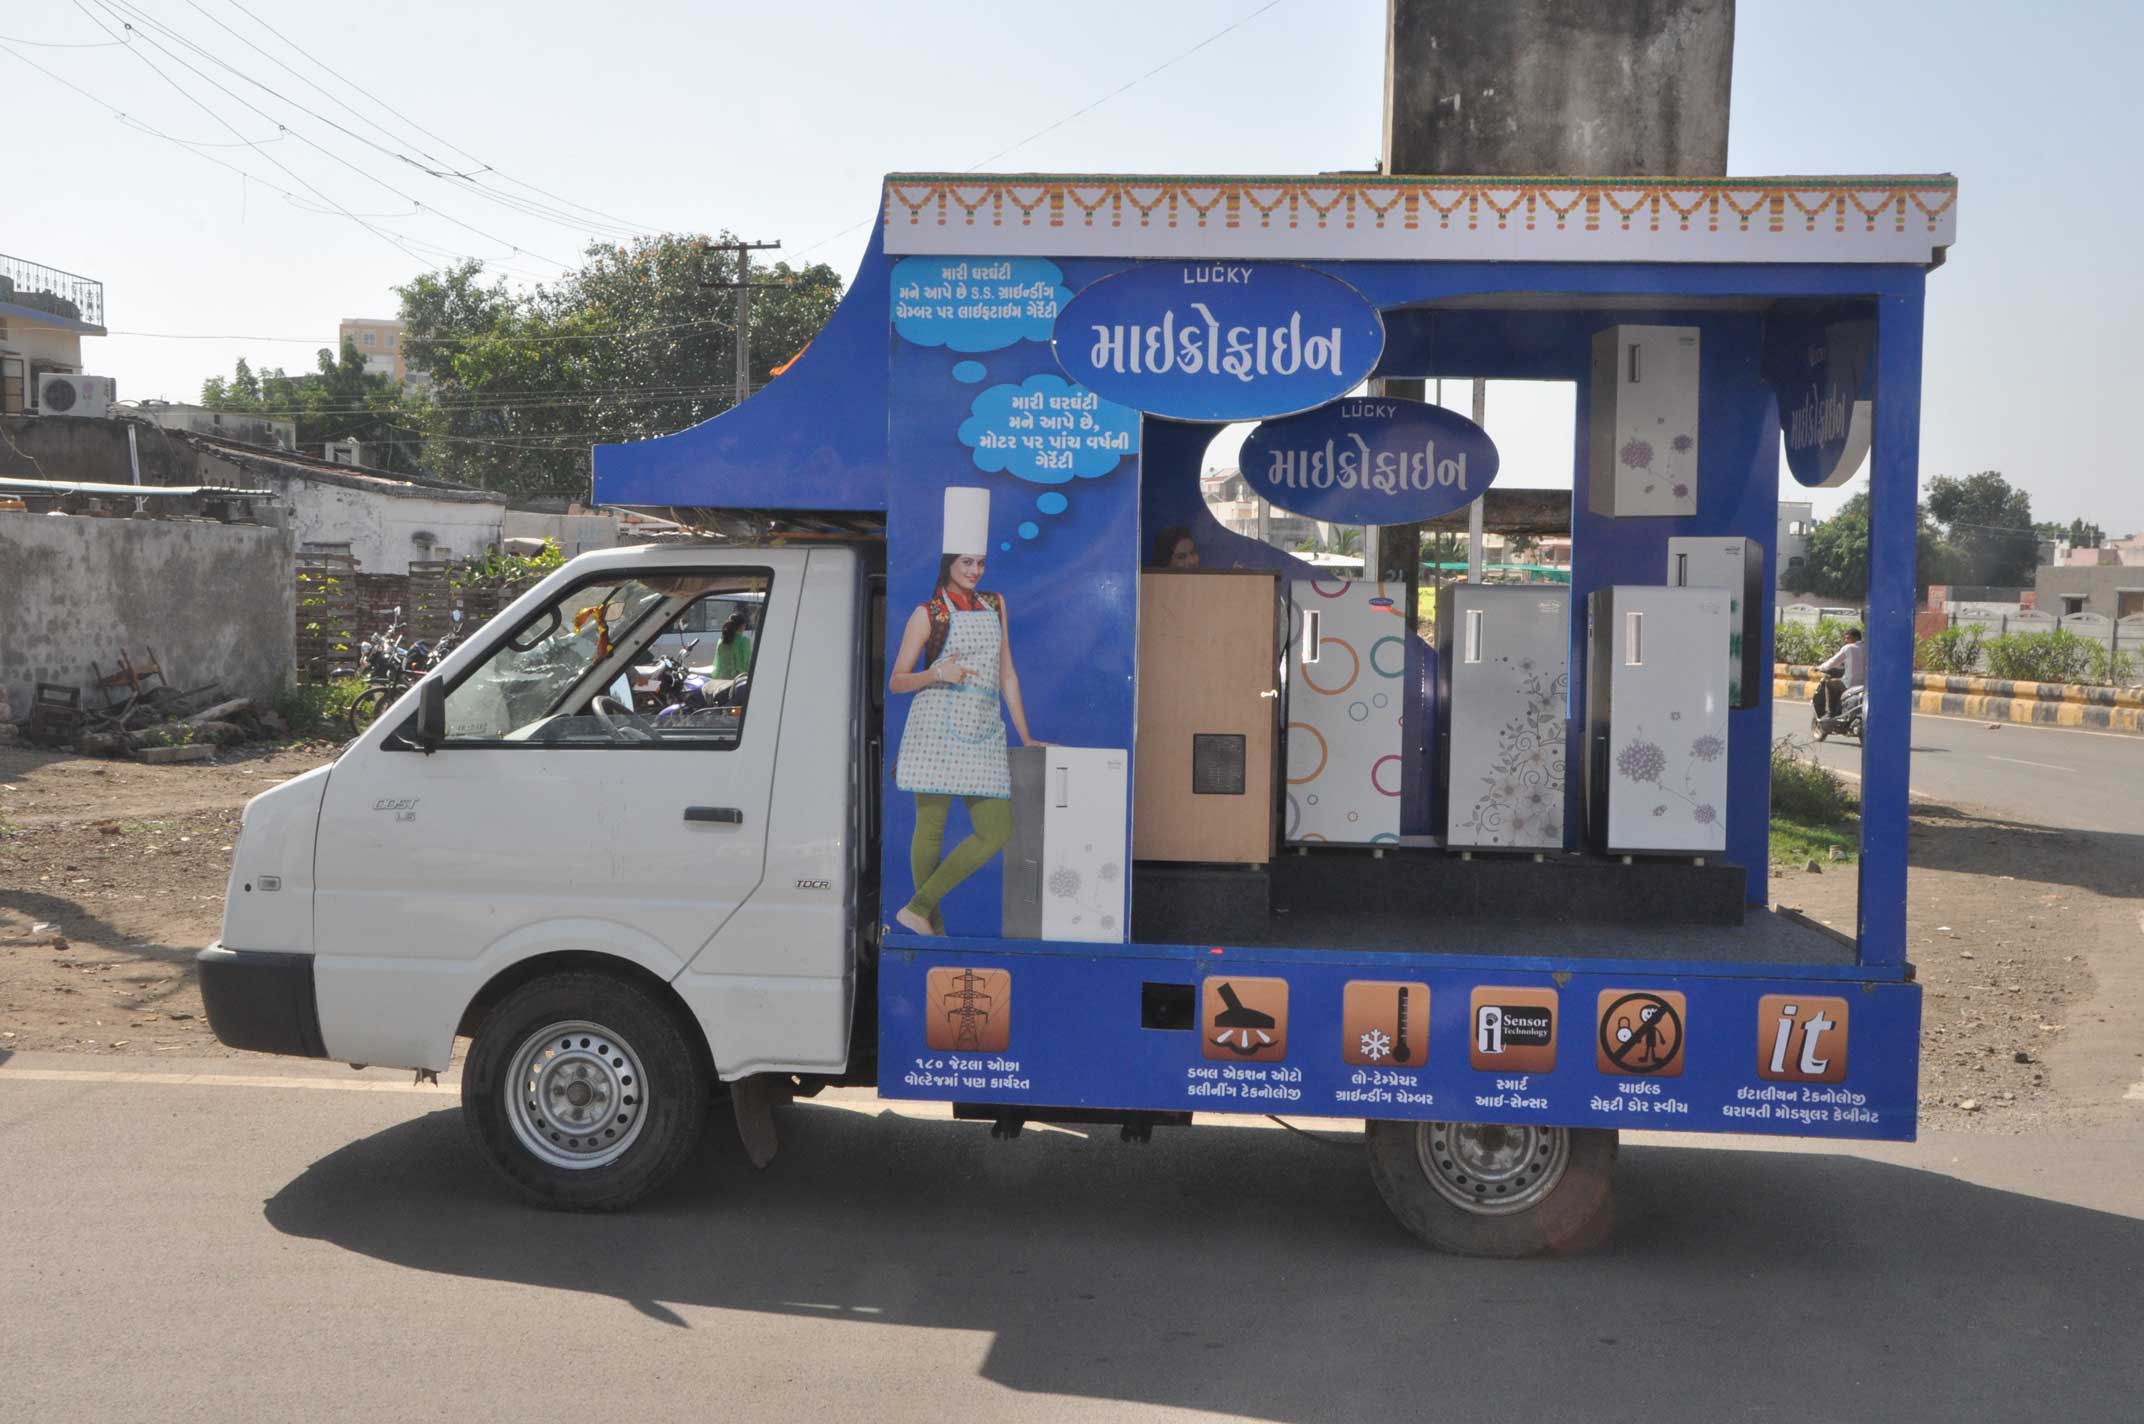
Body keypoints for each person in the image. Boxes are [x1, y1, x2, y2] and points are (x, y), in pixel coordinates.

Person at [889, 488, 1043, 936]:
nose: (975, 571)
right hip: (934, 728)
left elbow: (1007, 673)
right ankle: (931, 928)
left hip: (984, 728)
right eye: (966, 563)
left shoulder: (995, 604)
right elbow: (897, 681)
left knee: (996, 830)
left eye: (980, 563)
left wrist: (1025, 735)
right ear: (949, 564)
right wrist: (939, 673)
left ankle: (917, 907)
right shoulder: (928, 613)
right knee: (931, 829)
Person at [1815, 626, 1865, 721]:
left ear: (1856, 637)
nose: (1846, 641)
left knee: (1830, 684)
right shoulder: (1867, 647)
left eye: (1848, 638)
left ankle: (1830, 713)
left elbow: (1833, 662)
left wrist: (1820, 668)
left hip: (1849, 685)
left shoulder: (1848, 648)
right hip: (1864, 686)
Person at [709, 609, 754, 680]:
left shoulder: (721, 641)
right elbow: (746, 664)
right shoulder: (744, 641)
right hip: (738, 681)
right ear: (742, 625)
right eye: (745, 625)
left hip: (723, 680)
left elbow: (718, 664)